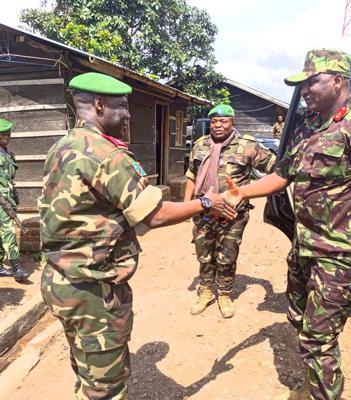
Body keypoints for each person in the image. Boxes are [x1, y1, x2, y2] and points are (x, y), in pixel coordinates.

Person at [38, 72, 236, 400]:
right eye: (122, 106)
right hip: (94, 291)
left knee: (85, 367)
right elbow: (153, 214)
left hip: (60, 281)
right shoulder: (106, 155)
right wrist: (206, 202)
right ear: (99, 105)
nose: (128, 114)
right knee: (106, 389)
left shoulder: (62, 146)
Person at [222, 49, 351, 400]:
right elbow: (281, 175)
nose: (304, 90)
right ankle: (312, 385)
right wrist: (241, 192)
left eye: (311, 82)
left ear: (337, 81)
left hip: (339, 255)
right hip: (303, 246)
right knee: (299, 320)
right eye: (301, 84)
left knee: (320, 339)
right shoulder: (308, 125)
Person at [184, 104, 275, 318]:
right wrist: (186, 206)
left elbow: (276, 169)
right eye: (214, 121)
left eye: (223, 121)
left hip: (233, 216)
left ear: (232, 122)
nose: (218, 125)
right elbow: (191, 174)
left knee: (227, 256)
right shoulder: (200, 145)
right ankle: (207, 292)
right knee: (204, 255)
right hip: (203, 212)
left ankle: (224, 294)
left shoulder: (248, 146)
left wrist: (249, 191)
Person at [0, 118, 29, 282]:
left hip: (9, 197)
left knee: (2, 232)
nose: (7, 137)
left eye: (8, 134)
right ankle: (17, 267)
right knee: (8, 231)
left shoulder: (9, 154)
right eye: (3, 134)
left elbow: (9, 178)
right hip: (1, 200)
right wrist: (4, 203)